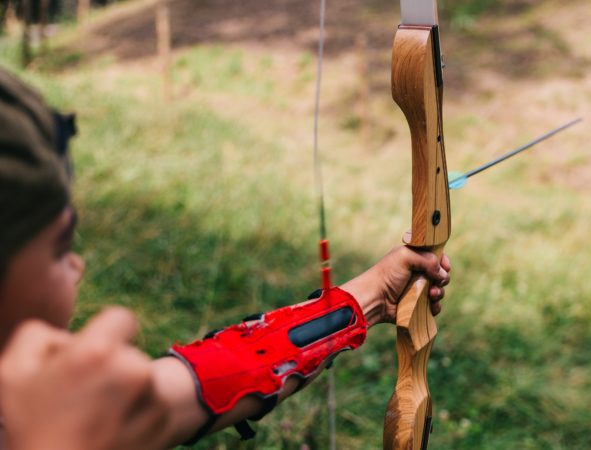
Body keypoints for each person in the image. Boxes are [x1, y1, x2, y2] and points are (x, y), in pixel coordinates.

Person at [0, 68, 451, 449]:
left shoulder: (50, 397)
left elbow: (218, 377)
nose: (77, 265)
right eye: (61, 248)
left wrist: (369, 297)